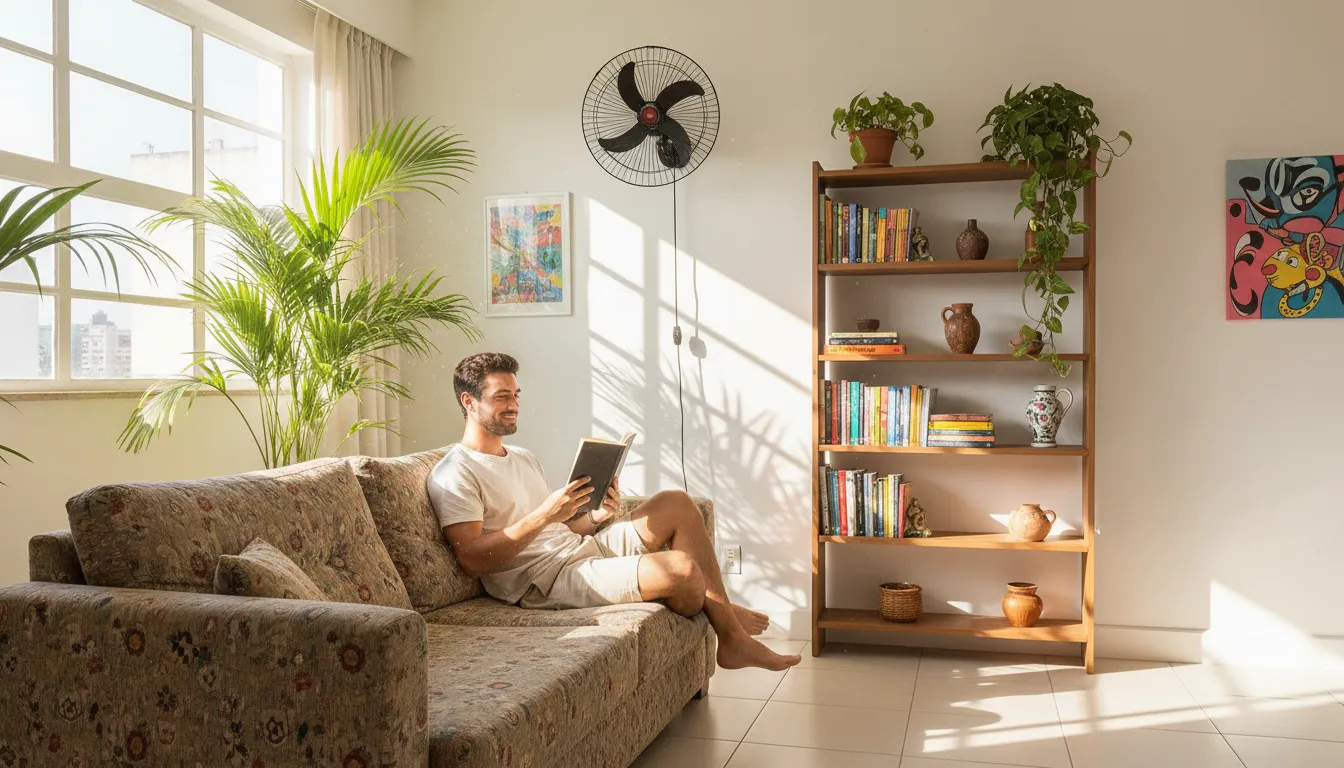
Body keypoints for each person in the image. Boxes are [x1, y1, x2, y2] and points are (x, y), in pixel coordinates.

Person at [428, 352, 801, 671]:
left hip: (580, 552)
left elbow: (566, 530)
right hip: (546, 581)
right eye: (502, 396)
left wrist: (595, 517)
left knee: (677, 502)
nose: (513, 404)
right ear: (469, 402)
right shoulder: (455, 472)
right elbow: (473, 560)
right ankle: (729, 627)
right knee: (683, 570)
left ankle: (724, 622)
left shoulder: (523, 457)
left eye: (516, 394)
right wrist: (543, 514)